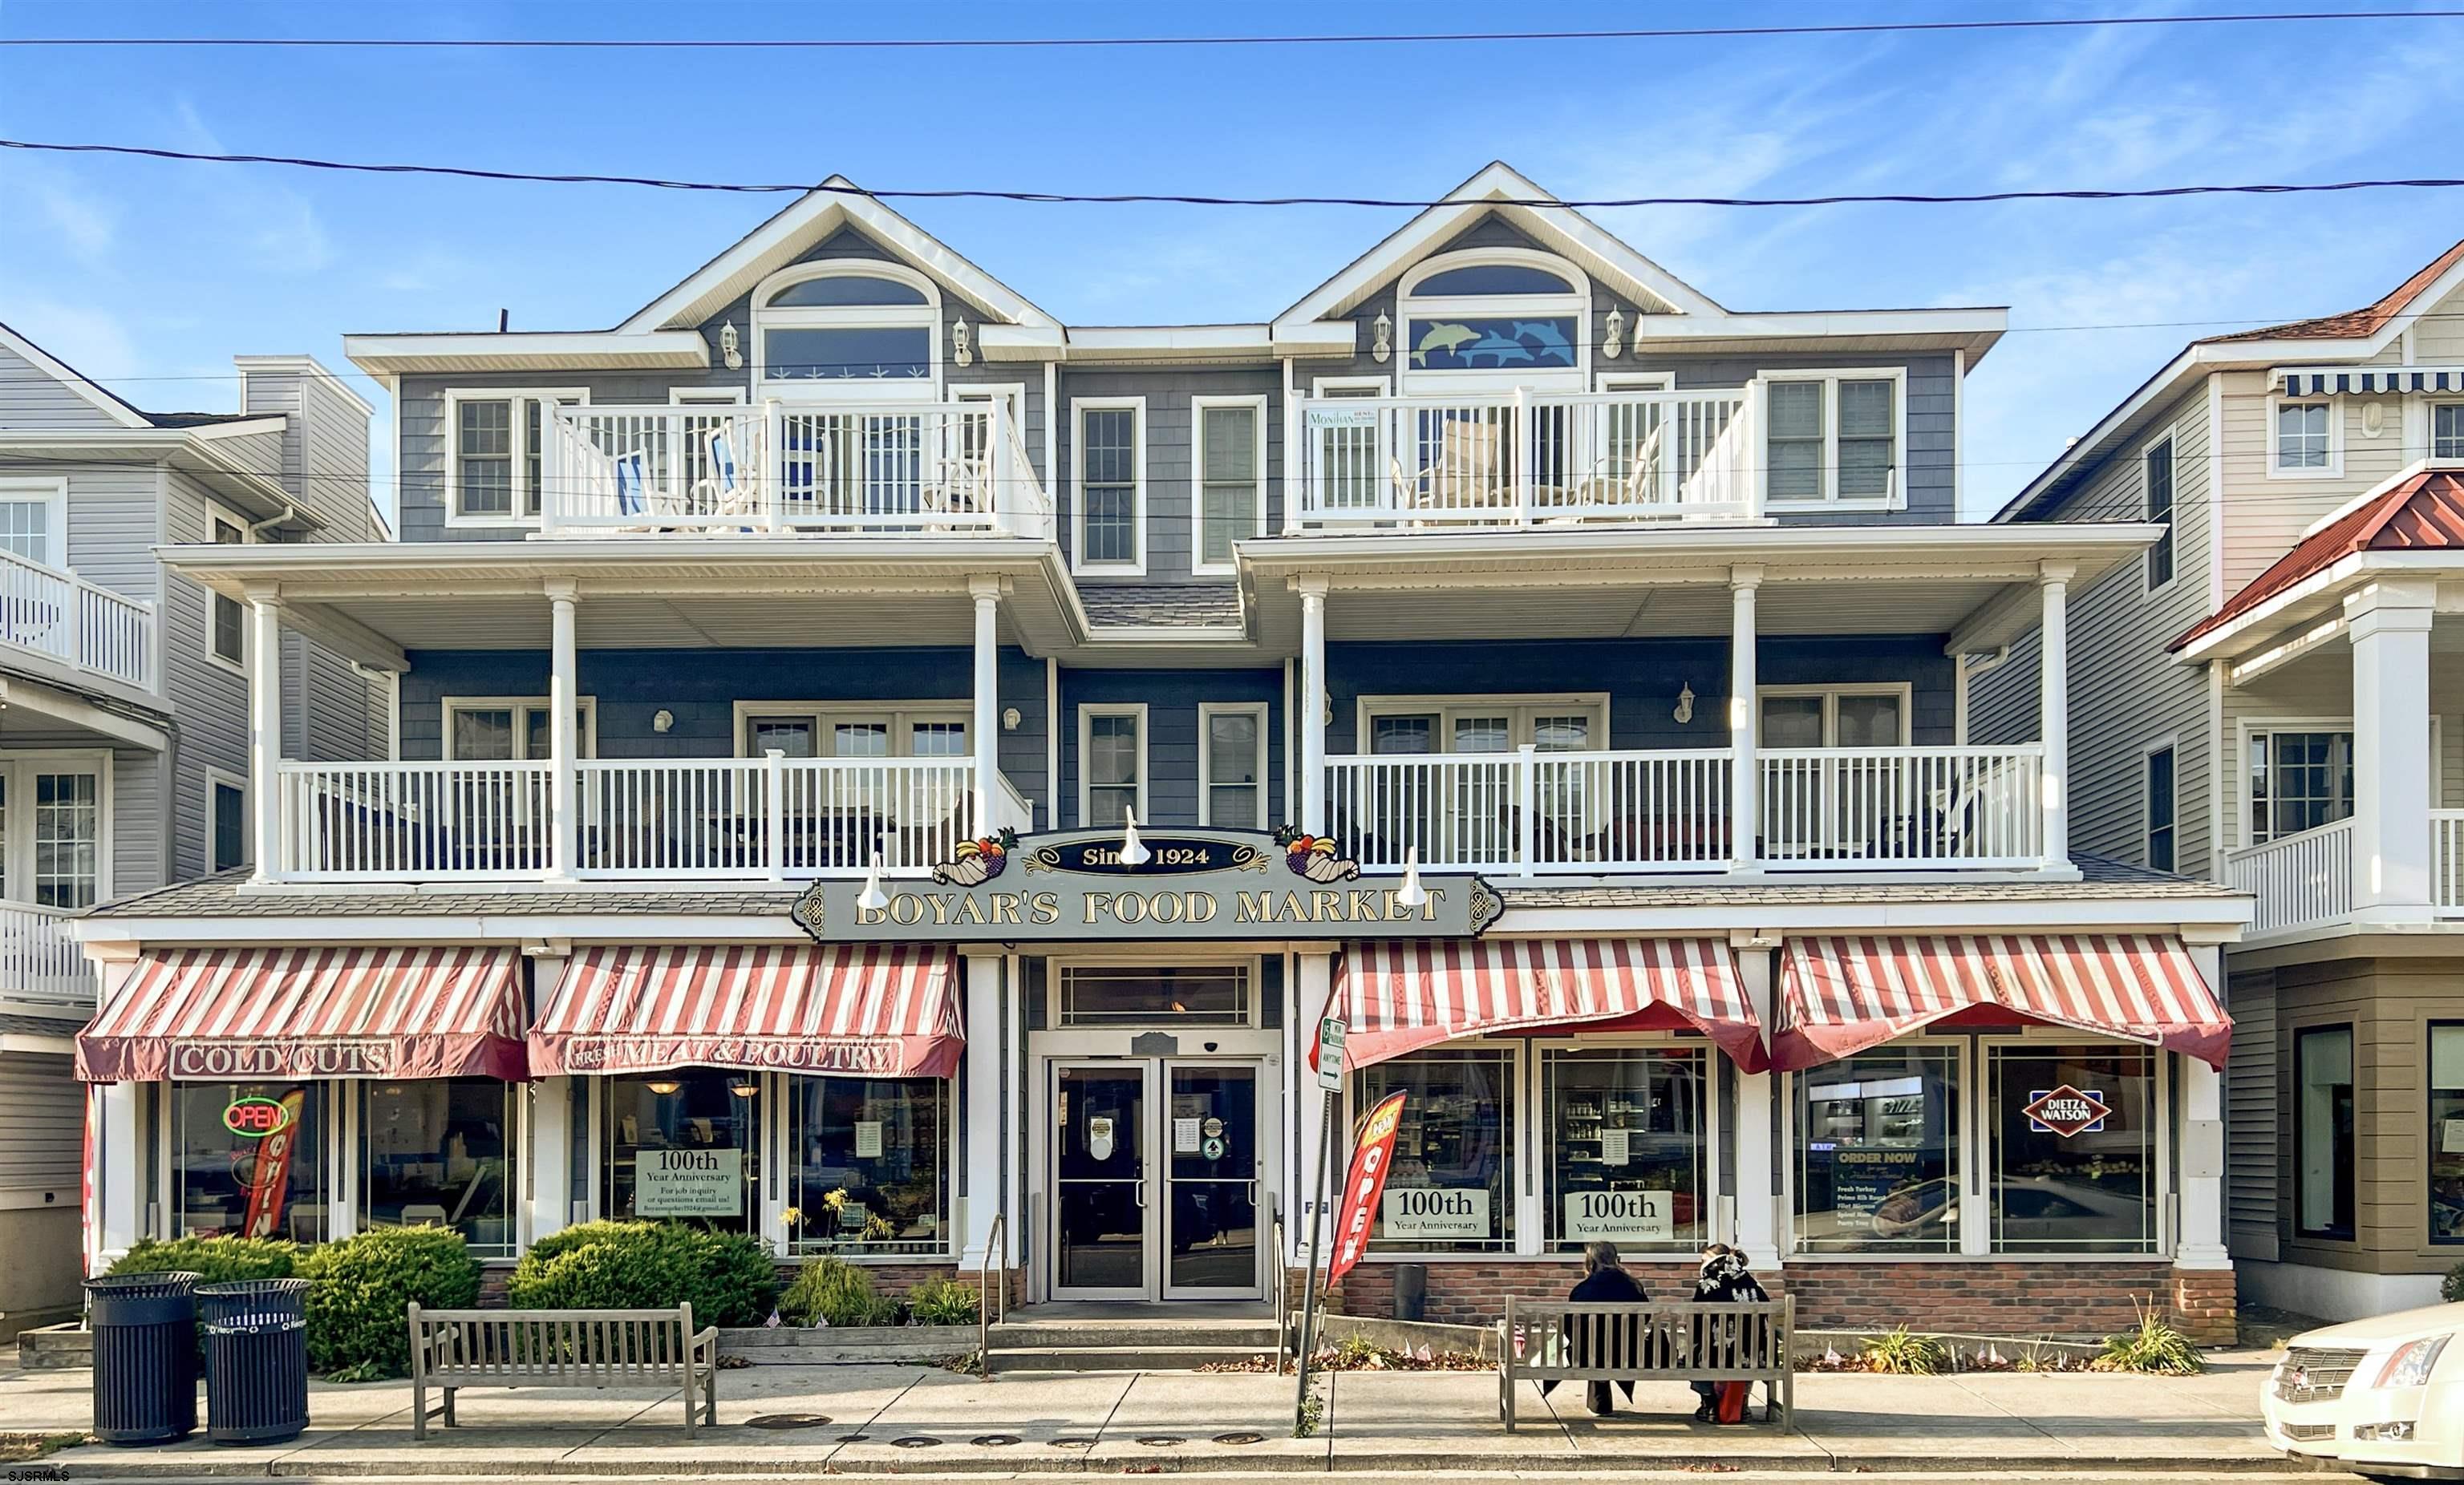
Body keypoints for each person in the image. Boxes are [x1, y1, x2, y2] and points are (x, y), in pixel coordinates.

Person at [1541, 1240, 1648, 1416]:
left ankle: (1599, 1403)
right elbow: (1644, 1319)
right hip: (1629, 1355)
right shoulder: (1633, 1286)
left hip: (1587, 1356)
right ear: (1616, 1259)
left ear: (1590, 1262)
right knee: (1605, 1347)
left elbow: (1570, 1328)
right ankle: (1600, 1403)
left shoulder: (1582, 1290)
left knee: (1592, 1346)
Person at [1688, 1243, 1771, 1422]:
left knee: (1697, 1351)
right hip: (1755, 1355)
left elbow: (1696, 1320)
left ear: (1712, 1262)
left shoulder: (1707, 1284)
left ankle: (1709, 1405)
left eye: (1703, 1261)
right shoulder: (1753, 1283)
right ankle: (1742, 1403)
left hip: (1715, 1354)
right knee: (1746, 1355)